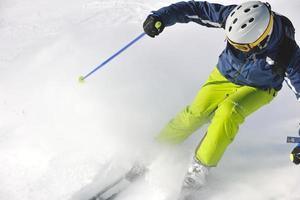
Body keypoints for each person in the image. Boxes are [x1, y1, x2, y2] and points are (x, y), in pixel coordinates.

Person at [142, 0, 300, 193]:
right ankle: (156, 148)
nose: (235, 48)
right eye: (231, 43)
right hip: (224, 74)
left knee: (228, 112)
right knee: (196, 113)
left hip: (260, 88)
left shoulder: (288, 53)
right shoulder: (234, 16)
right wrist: (161, 17)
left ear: (261, 40)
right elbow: (195, 9)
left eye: (240, 47)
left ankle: (201, 168)